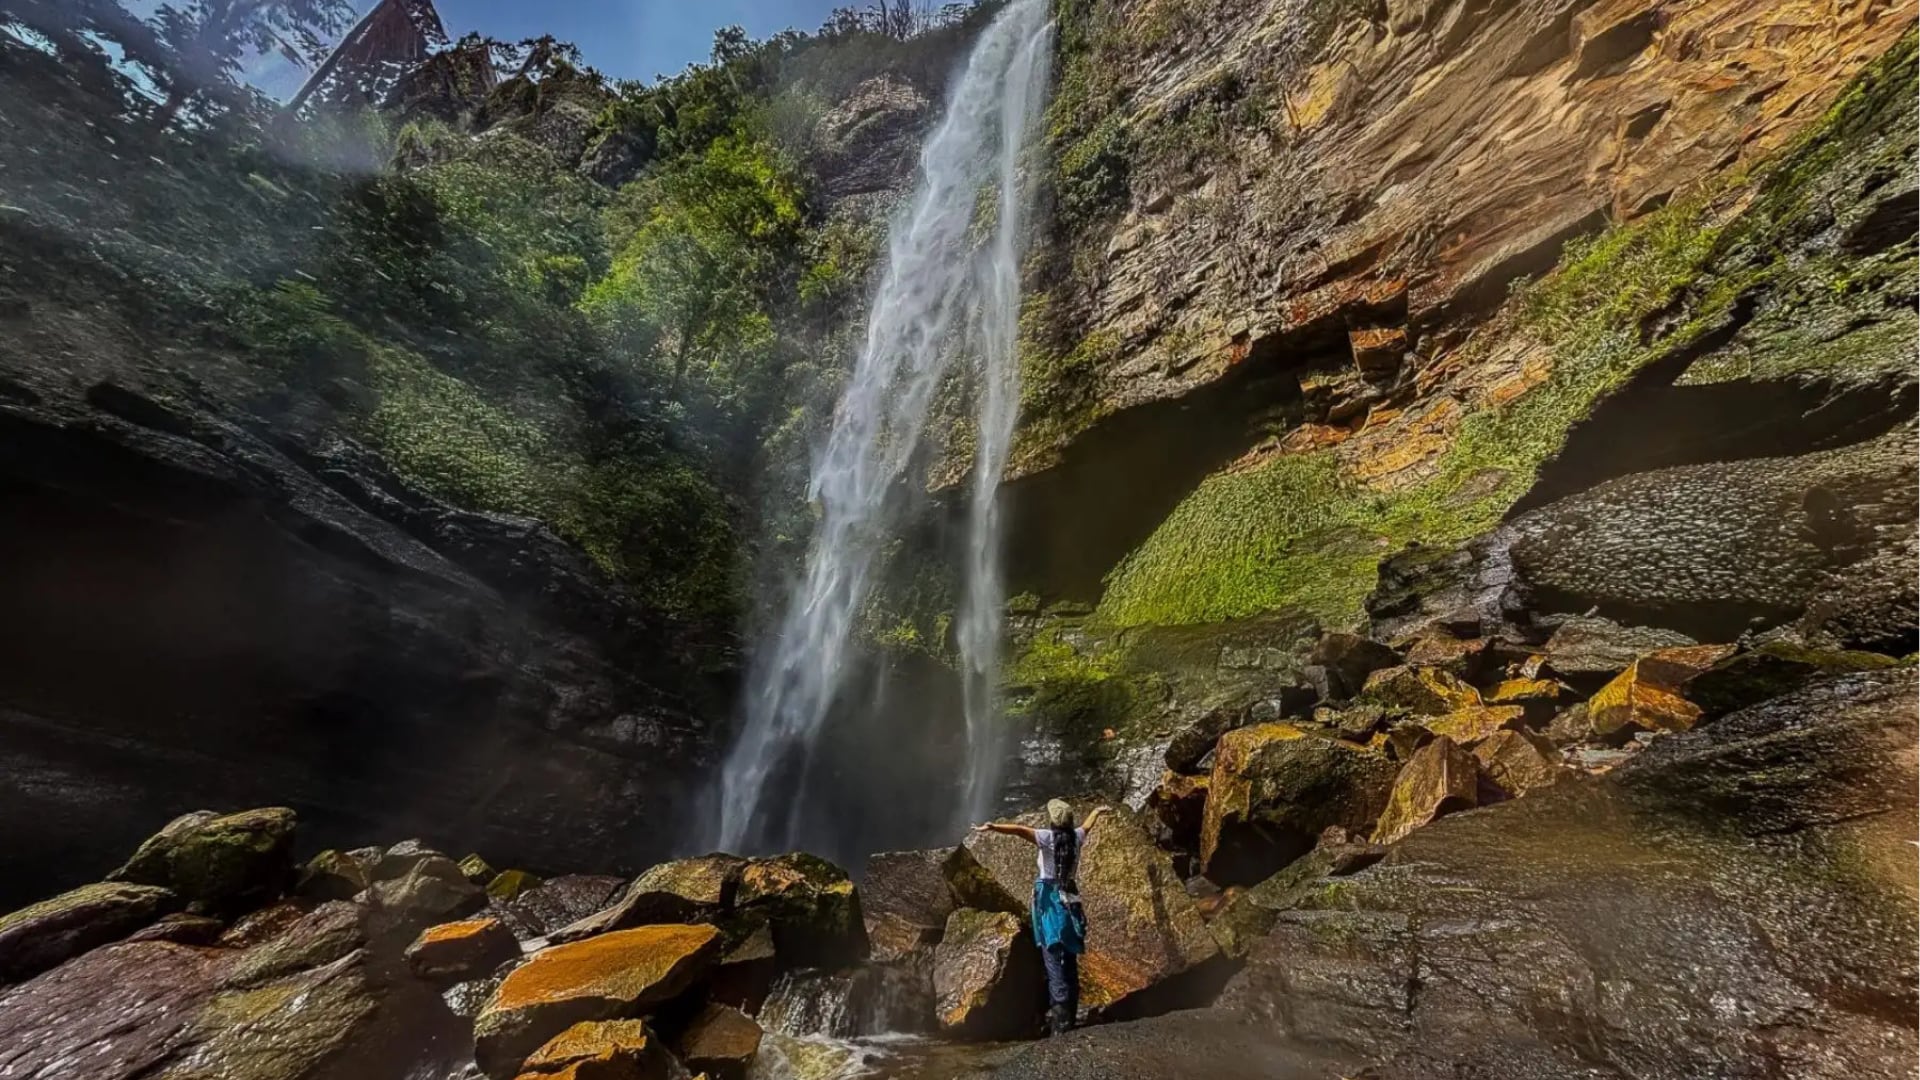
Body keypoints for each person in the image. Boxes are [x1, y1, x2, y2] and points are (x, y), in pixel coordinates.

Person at [972, 798, 1109, 1035]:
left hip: (1049, 902)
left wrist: (992, 827)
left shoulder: (1046, 838)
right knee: (1070, 960)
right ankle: (1071, 1018)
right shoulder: (1076, 837)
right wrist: (1097, 811)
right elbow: (1088, 825)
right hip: (1070, 901)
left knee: (1052, 958)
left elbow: (1017, 830)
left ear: (1053, 822)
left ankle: (1060, 1027)